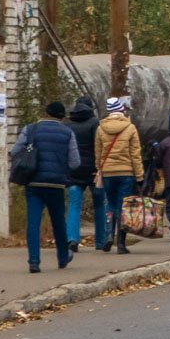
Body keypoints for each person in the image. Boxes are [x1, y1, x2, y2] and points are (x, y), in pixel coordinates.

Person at [10, 102, 79, 273]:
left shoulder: (31, 129)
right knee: (58, 222)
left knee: (33, 222)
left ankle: (34, 261)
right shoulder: (67, 132)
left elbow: (14, 151)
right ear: (62, 117)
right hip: (56, 184)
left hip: (33, 182)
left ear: (45, 112)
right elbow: (75, 162)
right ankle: (63, 257)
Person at [95, 97, 143, 254]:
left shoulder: (101, 128)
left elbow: (98, 153)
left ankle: (109, 234)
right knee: (124, 207)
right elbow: (135, 154)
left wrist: (100, 169)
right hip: (126, 173)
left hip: (108, 172)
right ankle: (121, 244)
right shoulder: (130, 128)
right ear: (122, 110)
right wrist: (140, 175)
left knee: (110, 204)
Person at [65, 96, 105, 253]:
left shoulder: (68, 125)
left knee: (74, 205)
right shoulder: (95, 123)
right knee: (99, 205)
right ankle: (101, 241)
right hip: (93, 171)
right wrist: (99, 167)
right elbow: (99, 146)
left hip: (74, 170)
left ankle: (72, 239)